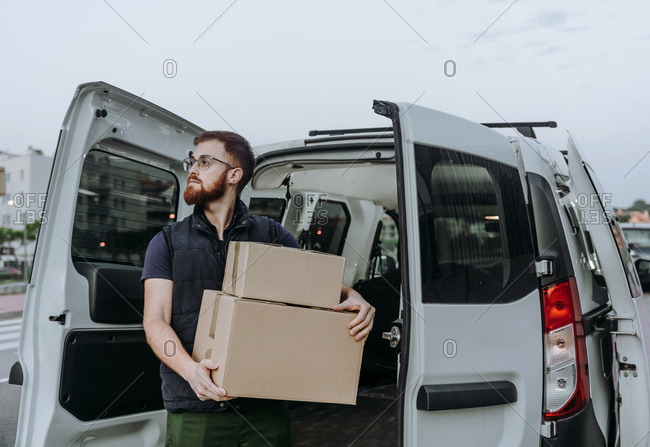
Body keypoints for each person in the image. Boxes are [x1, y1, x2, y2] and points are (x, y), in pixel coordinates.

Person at [141, 131, 375, 447]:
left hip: (264, 405)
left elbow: (313, 284)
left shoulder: (271, 234)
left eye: (205, 161)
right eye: (192, 161)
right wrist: (190, 370)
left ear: (234, 174)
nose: (193, 169)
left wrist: (354, 296)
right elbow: (155, 320)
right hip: (195, 407)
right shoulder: (167, 242)